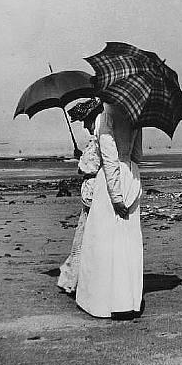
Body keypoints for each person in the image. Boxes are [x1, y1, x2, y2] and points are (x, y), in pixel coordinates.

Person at [75, 100, 144, 319]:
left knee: (103, 241)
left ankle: (104, 302)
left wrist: (116, 197)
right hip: (131, 175)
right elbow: (138, 155)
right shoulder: (135, 112)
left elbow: (109, 159)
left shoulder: (105, 116)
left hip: (111, 181)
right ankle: (128, 300)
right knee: (128, 241)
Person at [57, 98, 104, 294]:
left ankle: (78, 280)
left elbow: (88, 167)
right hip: (94, 191)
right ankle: (76, 278)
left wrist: (81, 160)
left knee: (86, 237)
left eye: (85, 121)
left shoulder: (97, 141)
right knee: (85, 236)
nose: (84, 126)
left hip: (94, 191)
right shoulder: (97, 140)